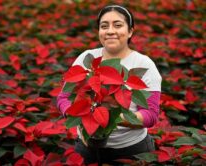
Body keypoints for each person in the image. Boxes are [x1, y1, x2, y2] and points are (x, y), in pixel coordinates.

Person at [56, 4, 162, 165]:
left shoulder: (144, 64)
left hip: (131, 150)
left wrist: (112, 119)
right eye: (104, 26)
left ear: (130, 31)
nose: (110, 31)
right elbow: (63, 98)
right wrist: (78, 115)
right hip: (86, 149)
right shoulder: (88, 57)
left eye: (118, 25)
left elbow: (151, 115)